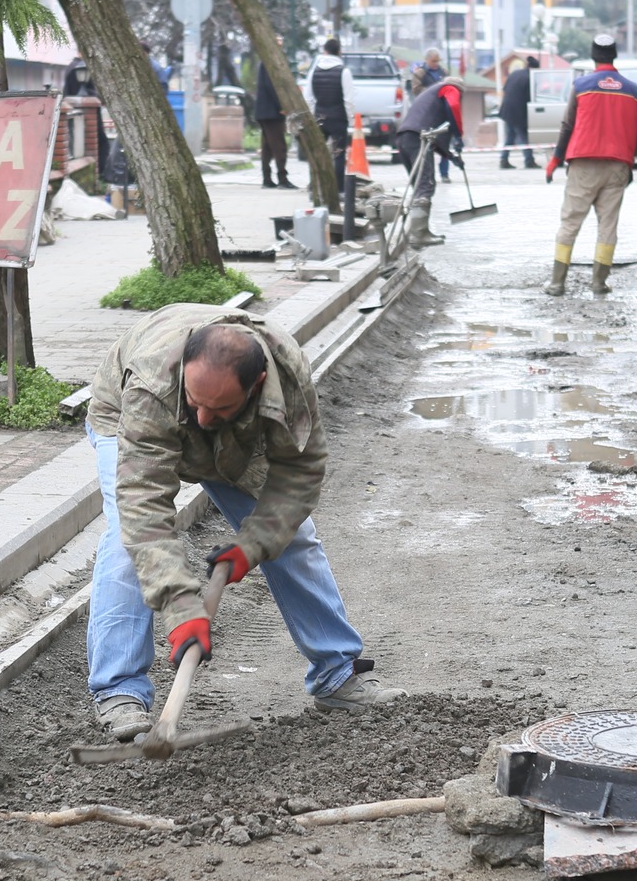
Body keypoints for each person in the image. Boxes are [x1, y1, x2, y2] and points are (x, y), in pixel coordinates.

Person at [84, 304, 407, 741]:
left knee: (294, 537)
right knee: (127, 542)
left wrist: (253, 544)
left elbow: (298, 476)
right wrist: (182, 608)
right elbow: (145, 511)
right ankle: (119, 691)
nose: (202, 421)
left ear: (257, 387)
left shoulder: (288, 378)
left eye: (216, 410)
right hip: (128, 416)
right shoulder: (153, 385)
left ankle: (337, 674)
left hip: (242, 437)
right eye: (197, 404)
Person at [542, 33, 637, 297]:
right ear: (614, 55)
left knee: (570, 222)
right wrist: (629, 165)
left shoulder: (582, 85)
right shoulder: (631, 90)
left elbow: (567, 125)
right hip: (618, 164)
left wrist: (554, 161)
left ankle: (557, 283)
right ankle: (599, 283)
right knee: (608, 226)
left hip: (584, 163)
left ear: (594, 56)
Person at [393, 68, 463, 249]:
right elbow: (453, 107)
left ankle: (417, 231)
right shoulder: (450, 88)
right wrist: (459, 134)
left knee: (418, 185)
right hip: (418, 138)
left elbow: (434, 136)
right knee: (425, 185)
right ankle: (418, 235)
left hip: (404, 138)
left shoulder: (431, 97)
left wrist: (451, 157)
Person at [309, 36, 351, 188]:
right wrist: (349, 118)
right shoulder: (344, 72)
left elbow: (309, 97)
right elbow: (348, 99)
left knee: (317, 153)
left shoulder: (314, 71)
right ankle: (339, 188)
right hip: (338, 117)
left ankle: (315, 185)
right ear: (339, 52)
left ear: (325, 51)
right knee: (339, 154)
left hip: (319, 116)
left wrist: (313, 114)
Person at [409, 50, 452, 181]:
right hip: (427, 113)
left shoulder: (443, 72)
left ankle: (444, 173)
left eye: (437, 61)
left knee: (444, 143)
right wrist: (433, 91)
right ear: (427, 60)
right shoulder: (419, 73)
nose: (436, 64)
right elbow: (416, 90)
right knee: (428, 145)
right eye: (433, 61)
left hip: (442, 112)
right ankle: (429, 174)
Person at [254, 61, 295, 190]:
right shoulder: (270, 61)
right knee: (279, 147)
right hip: (272, 112)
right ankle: (282, 179)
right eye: (278, 39)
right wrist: (281, 106)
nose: (280, 41)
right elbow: (272, 86)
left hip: (264, 111)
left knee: (267, 147)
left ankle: (267, 179)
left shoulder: (264, 62)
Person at [498, 55, 539, 170]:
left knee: (510, 137)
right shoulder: (530, 78)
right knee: (524, 137)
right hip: (518, 112)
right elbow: (531, 97)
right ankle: (529, 161)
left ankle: (504, 160)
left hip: (507, 110)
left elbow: (505, 89)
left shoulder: (515, 74)